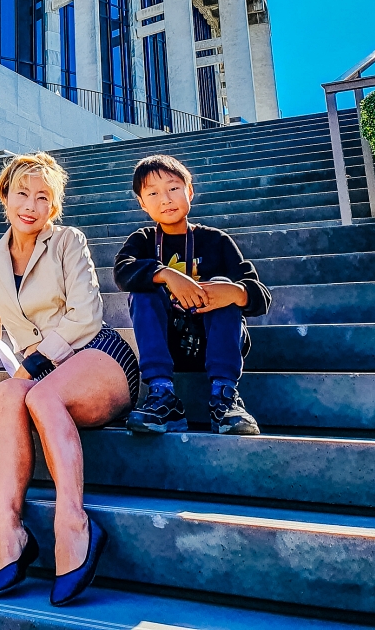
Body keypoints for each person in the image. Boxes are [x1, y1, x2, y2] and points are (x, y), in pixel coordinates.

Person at [0, 151, 139, 607]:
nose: (31, 205)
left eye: (44, 198)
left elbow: (86, 316)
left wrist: (36, 362)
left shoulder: (67, 241)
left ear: (54, 207)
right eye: (23, 193)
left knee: (35, 392)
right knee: (10, 390)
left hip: (99, 358)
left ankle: (74, 523)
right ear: (5, 195)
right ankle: (11, 531)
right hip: (44, 379)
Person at [114, 153, 271, 435]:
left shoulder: (216, 240)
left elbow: (260, 295)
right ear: (141, 203)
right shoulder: (144, 240)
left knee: (225, 286)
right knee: (143, 289)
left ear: (190, 191)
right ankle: (162, 396)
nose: (166, 199)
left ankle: (224, 398)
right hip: (168, 344)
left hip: (216, 342)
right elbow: (122, 272)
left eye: (174, 188)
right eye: (153, 193)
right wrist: (165, 274)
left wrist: (235, 292)